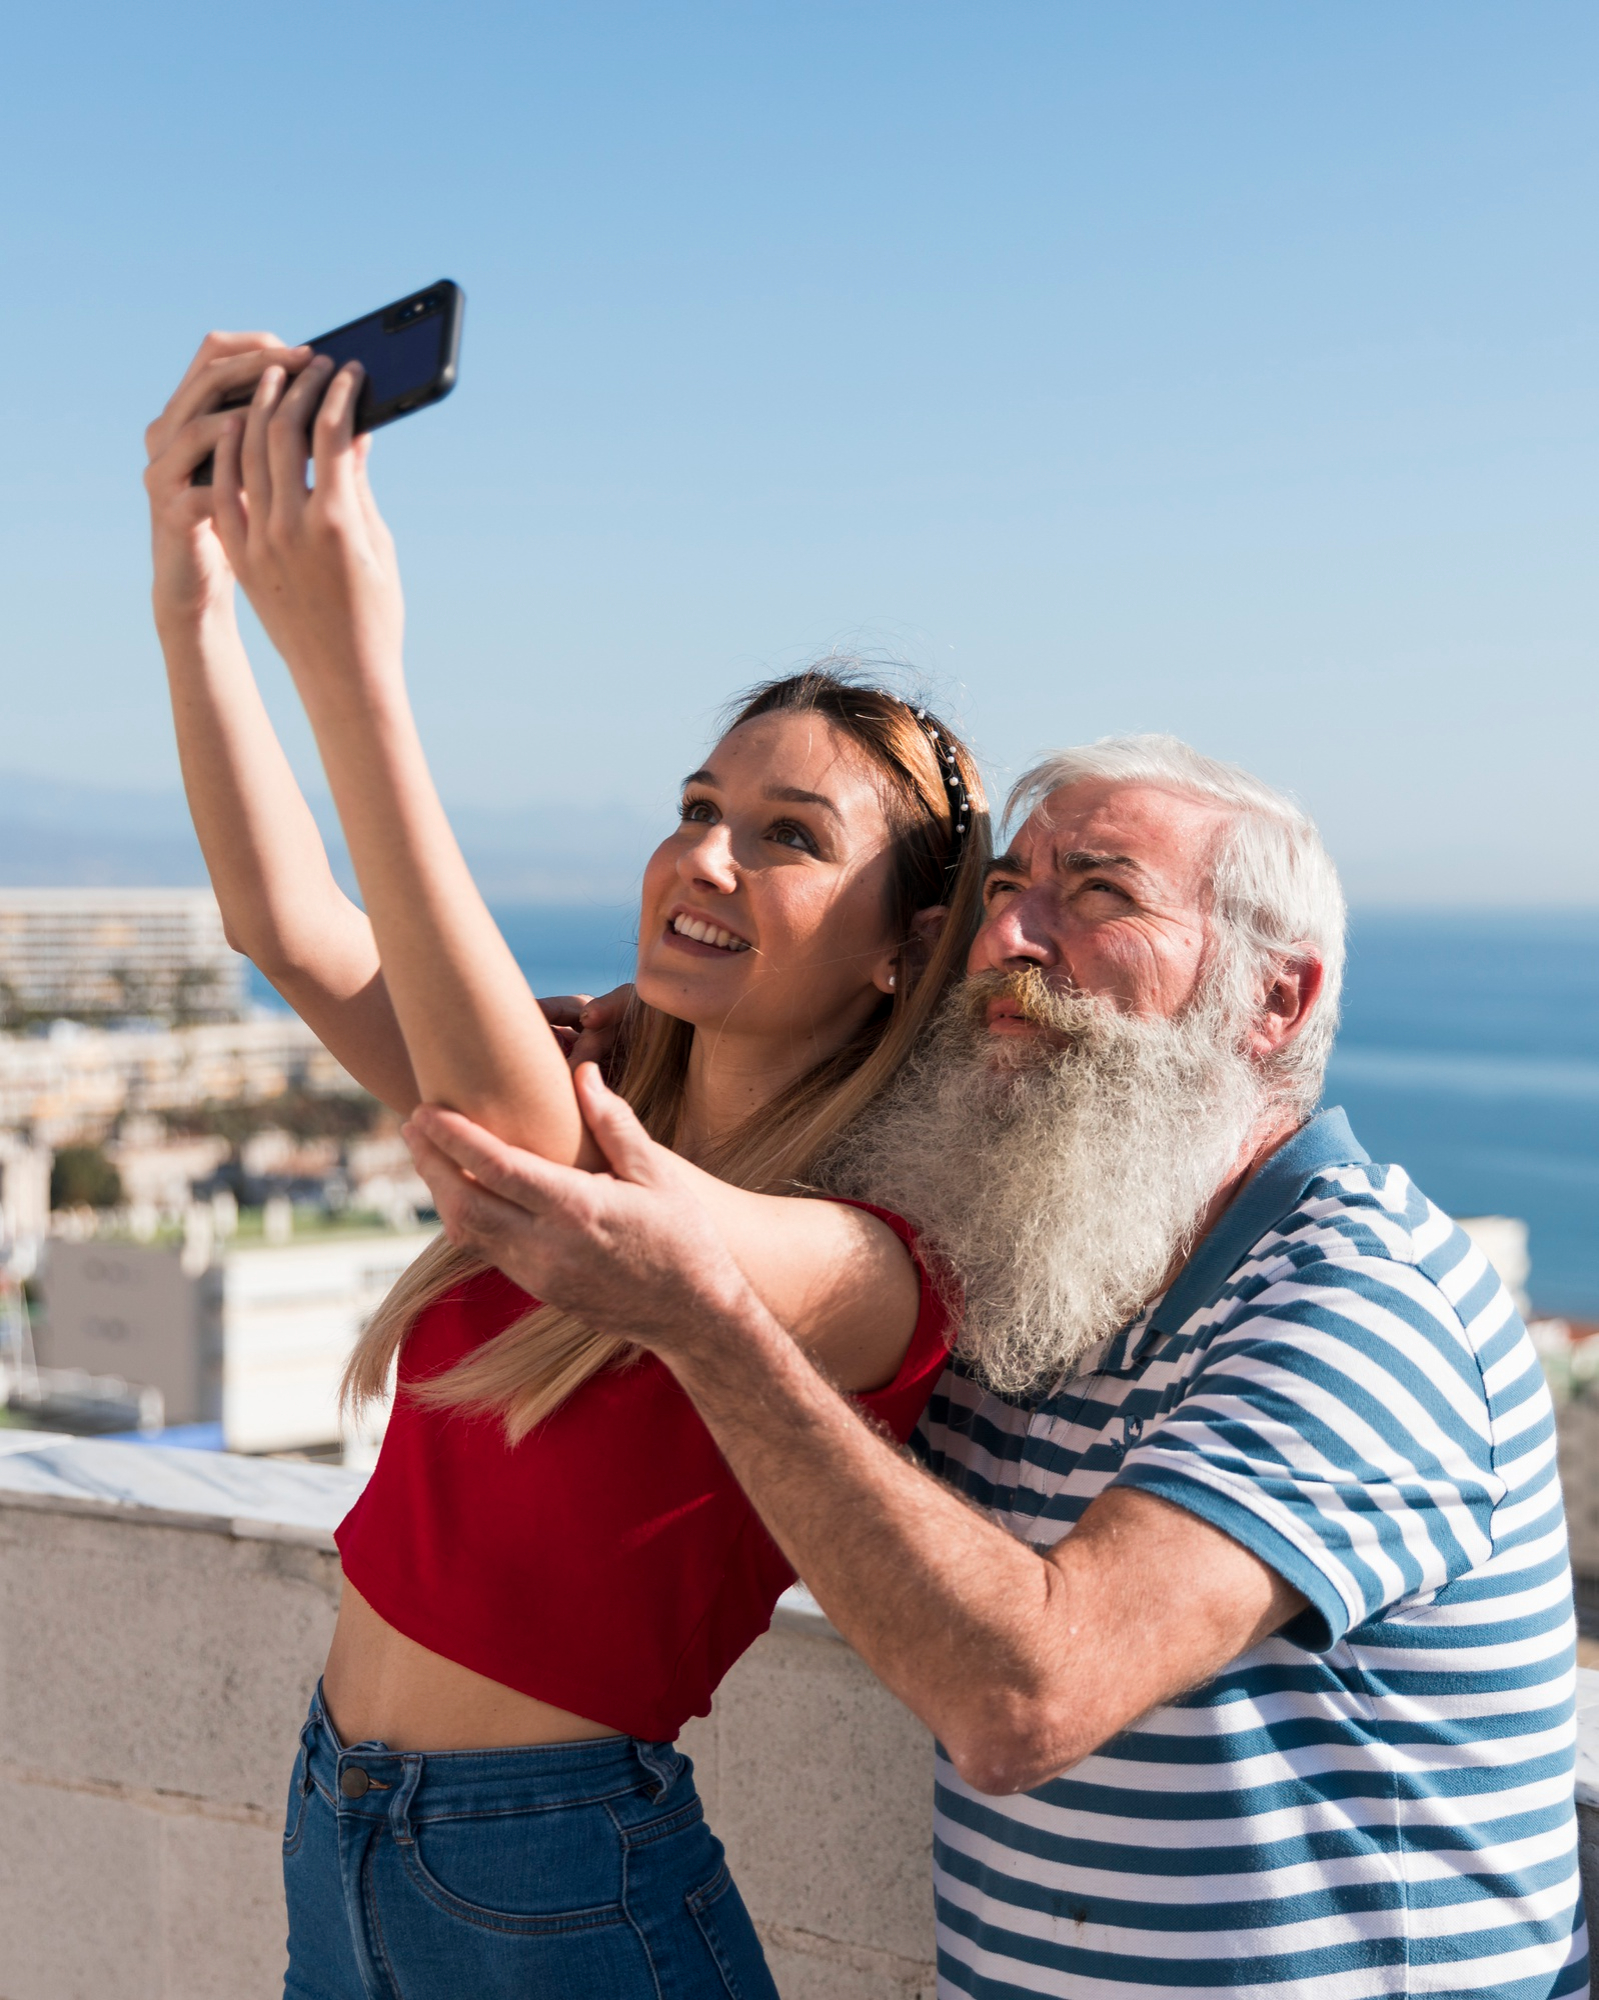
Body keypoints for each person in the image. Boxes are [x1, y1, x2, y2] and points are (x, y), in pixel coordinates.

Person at [403, 736, 1589, 2000]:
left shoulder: (1361, 1297)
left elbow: (1026, 1694)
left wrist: (710, 1323)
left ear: (1274, 1001)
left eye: (1100, 894)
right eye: (1008, 887)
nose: (1011, 940)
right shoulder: (1036, 1249)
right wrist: (639, 1025)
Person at [142, 333, 991, 1999]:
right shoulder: (587, 1088)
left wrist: (355, 672)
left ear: (906, 953)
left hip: (562, 1890)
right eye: (697, 802)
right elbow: (288, 927)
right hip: (345, 1814)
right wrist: (192, 591)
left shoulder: (878, 1261)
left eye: (787, 836)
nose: (701, 852)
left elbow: (565, 1207)